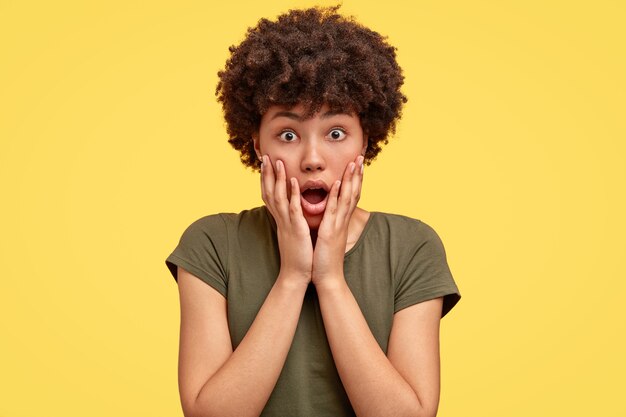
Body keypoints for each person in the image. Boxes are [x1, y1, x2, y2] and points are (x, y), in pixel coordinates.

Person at [165, 6, 461, 417]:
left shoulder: (411, 246)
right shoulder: (212, 244)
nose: (312, 159)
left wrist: (330, 279)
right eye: (288, 134)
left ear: (364, 143)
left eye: (336, 133)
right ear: (257, 147)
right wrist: (291, 277)